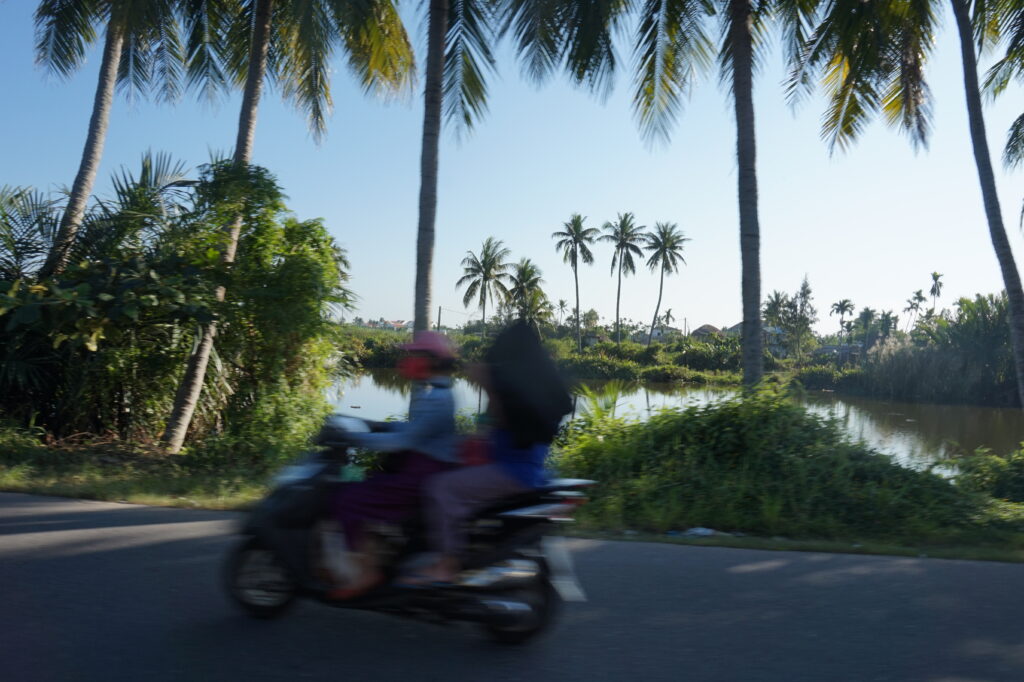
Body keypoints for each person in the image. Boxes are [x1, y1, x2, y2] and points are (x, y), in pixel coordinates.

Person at [412, 322, 572, 584]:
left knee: (440, 488)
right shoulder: (537, 386)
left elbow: (503, 415)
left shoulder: (512, 388)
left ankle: (447, 564)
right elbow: (495, 424)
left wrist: (489, 385)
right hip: (527, 467)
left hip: (513, 470)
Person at [328, 330, 459, 599]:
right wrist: (378, 424)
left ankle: (366, 572)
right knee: (364, 483)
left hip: (419, 473)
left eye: (414, 355)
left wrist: (353, 437)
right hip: (418, 466)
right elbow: (413, 429)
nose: (407, 360)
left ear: (430, 360)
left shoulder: (438, 399)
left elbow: (405, 440)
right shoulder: (434, 392)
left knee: (349, 499)